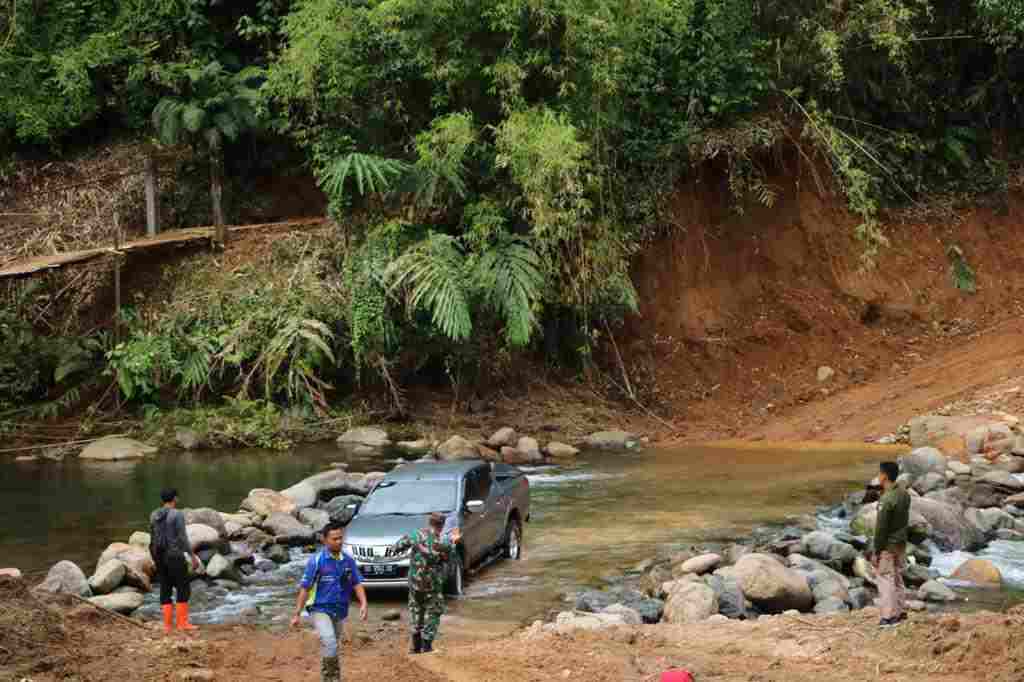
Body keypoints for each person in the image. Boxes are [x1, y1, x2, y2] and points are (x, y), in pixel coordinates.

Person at [291, 521, 368, 682]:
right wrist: (297, 613)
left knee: (333, 645)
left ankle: (334, 676)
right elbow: (305, 588)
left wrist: (363, 603)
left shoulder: (348, 560)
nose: (339, 541)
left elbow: (357, 583)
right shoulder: (316, 561)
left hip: (340, 609)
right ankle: (329, 678)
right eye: (334, 539)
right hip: (319, 608)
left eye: (340, 538)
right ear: (325, 540)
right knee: (330, 642)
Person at [393, 512, 461, 654]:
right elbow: (452, 560)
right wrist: (454, 540)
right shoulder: (444, 542)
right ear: (442, 526)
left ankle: (415, 647)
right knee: (434, 612)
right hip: (432, 585)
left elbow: (396, 547)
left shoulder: (415, 535)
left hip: (415, 584)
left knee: (416, 610)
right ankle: (427, 645)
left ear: (429, 522)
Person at [149, 487, 201, 633]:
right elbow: (183, 538)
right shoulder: (177, 514)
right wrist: (192, 556)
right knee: (183, 587)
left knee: (165, 588)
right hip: (175, 556)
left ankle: (167, 625)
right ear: (175, 498)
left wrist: (154, 557)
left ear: (162, 500)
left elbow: (152, 538)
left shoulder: (153, 514)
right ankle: (182, 623)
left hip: (159, 556)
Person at [872, 461, 911, 629]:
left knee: (885, 578)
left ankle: (888, 617)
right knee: (897, 576)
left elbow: (881, 529)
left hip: (888, 545)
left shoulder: (886, 499)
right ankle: (901, 611)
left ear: (885, 476)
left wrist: (876, 551)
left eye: (879, 474)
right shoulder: (904, 494)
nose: (878, 477)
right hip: (901, 543)